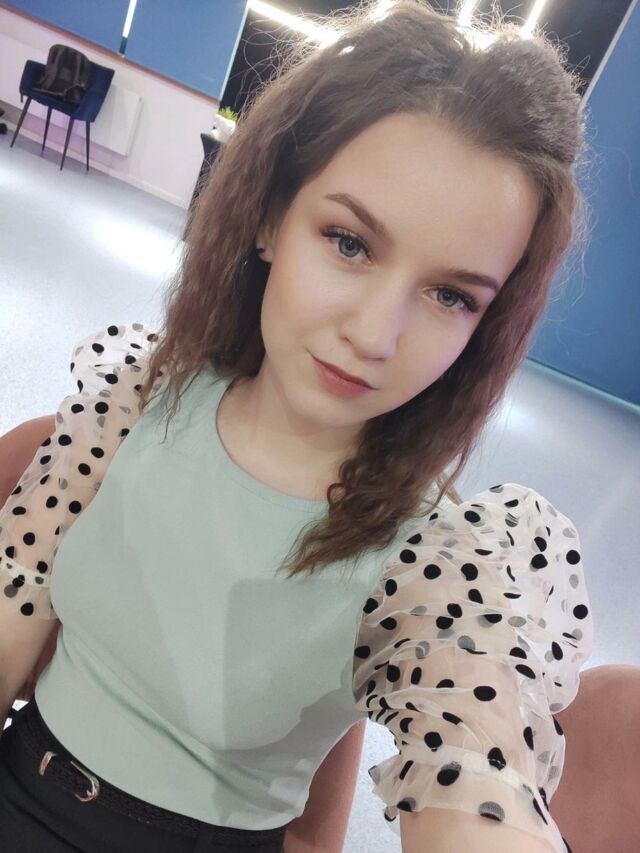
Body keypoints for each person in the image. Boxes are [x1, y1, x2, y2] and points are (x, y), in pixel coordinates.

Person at [0, 1, 594, 851]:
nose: (375, 334)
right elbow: (13, 607)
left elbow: (478, 775)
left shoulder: (445, 561)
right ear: (271, 216)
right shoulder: (136, 397)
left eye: (450, 295)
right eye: (349, 242)